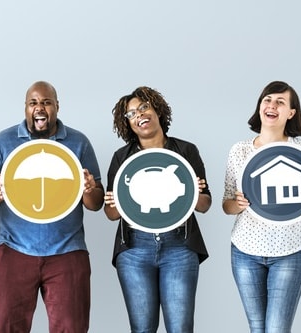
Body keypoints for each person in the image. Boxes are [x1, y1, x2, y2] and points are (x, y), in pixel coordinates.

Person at [0, 81, 104, 333]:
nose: (39, 108)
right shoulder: (4, 141)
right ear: (25, 108)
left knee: (72, 328)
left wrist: (88, 189)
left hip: (67, 250)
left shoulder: (78, 143)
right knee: (7, 327)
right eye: (33, 103)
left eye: (46, 102)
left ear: (57, 106)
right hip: (13, 249)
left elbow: (96, 203)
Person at [222, 81, 301, 332]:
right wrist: (237, 204)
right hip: (245, 252)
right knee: (257, 328)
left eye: (280, 102)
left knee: (277, 329)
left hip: (290, 251)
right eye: (267, 100)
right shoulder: (239, 151)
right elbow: (226, 205)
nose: (272, 105)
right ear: (260, 107)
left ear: (291, 113)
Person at [103, 86, 211, 333]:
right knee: (142, 329)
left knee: (181, 328)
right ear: (127, 124)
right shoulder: (122, 158)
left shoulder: (185, 151)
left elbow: (205, 204)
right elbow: (111, 214)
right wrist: (116, 204)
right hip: (134, 249)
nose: (139, 114)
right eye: (131, 114)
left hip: (180, 247)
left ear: (157, 110)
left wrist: (193, 194)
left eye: (144, 107)